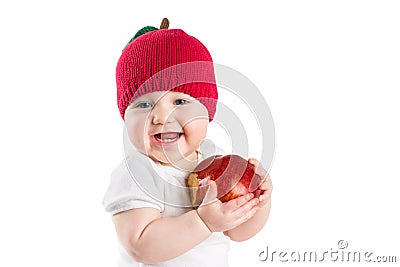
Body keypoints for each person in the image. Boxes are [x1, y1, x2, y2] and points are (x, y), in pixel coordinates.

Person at [102, 18, 273, 267]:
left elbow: (239, 232)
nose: (161, 117)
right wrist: (203, 222)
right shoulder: (137, 173)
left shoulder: (214, 160)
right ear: (125, 117)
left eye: (180, 102)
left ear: (207, 112)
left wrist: (257, 202)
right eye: (144, 104)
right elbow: (141, 246)